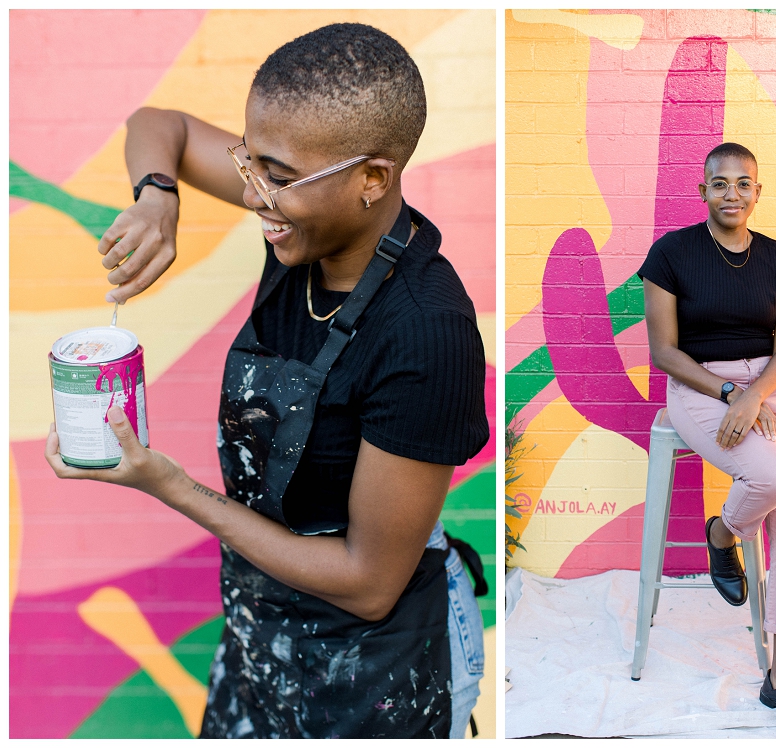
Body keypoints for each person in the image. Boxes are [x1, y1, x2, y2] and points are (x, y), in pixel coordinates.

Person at [45, 23, 489, 739]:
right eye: (248, 163)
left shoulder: (424, 333)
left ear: (372, 178)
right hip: (260, 637)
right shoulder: (303, 229)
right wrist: (159, 196)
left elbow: (370, 584)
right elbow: (157, 125)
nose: (254, 196)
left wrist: (170, 486)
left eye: (277, 179)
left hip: (369, 676)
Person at [638, 142, 776, 739]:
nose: (732, 193)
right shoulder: (672, 253)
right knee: (773, 479)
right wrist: (730, 395)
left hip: (770, 386)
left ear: (757, 193)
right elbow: (664, 351)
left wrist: (755, 396)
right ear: (703, 192)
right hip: (700, 387)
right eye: (719, 183)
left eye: (743, 184)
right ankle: (723, 534)